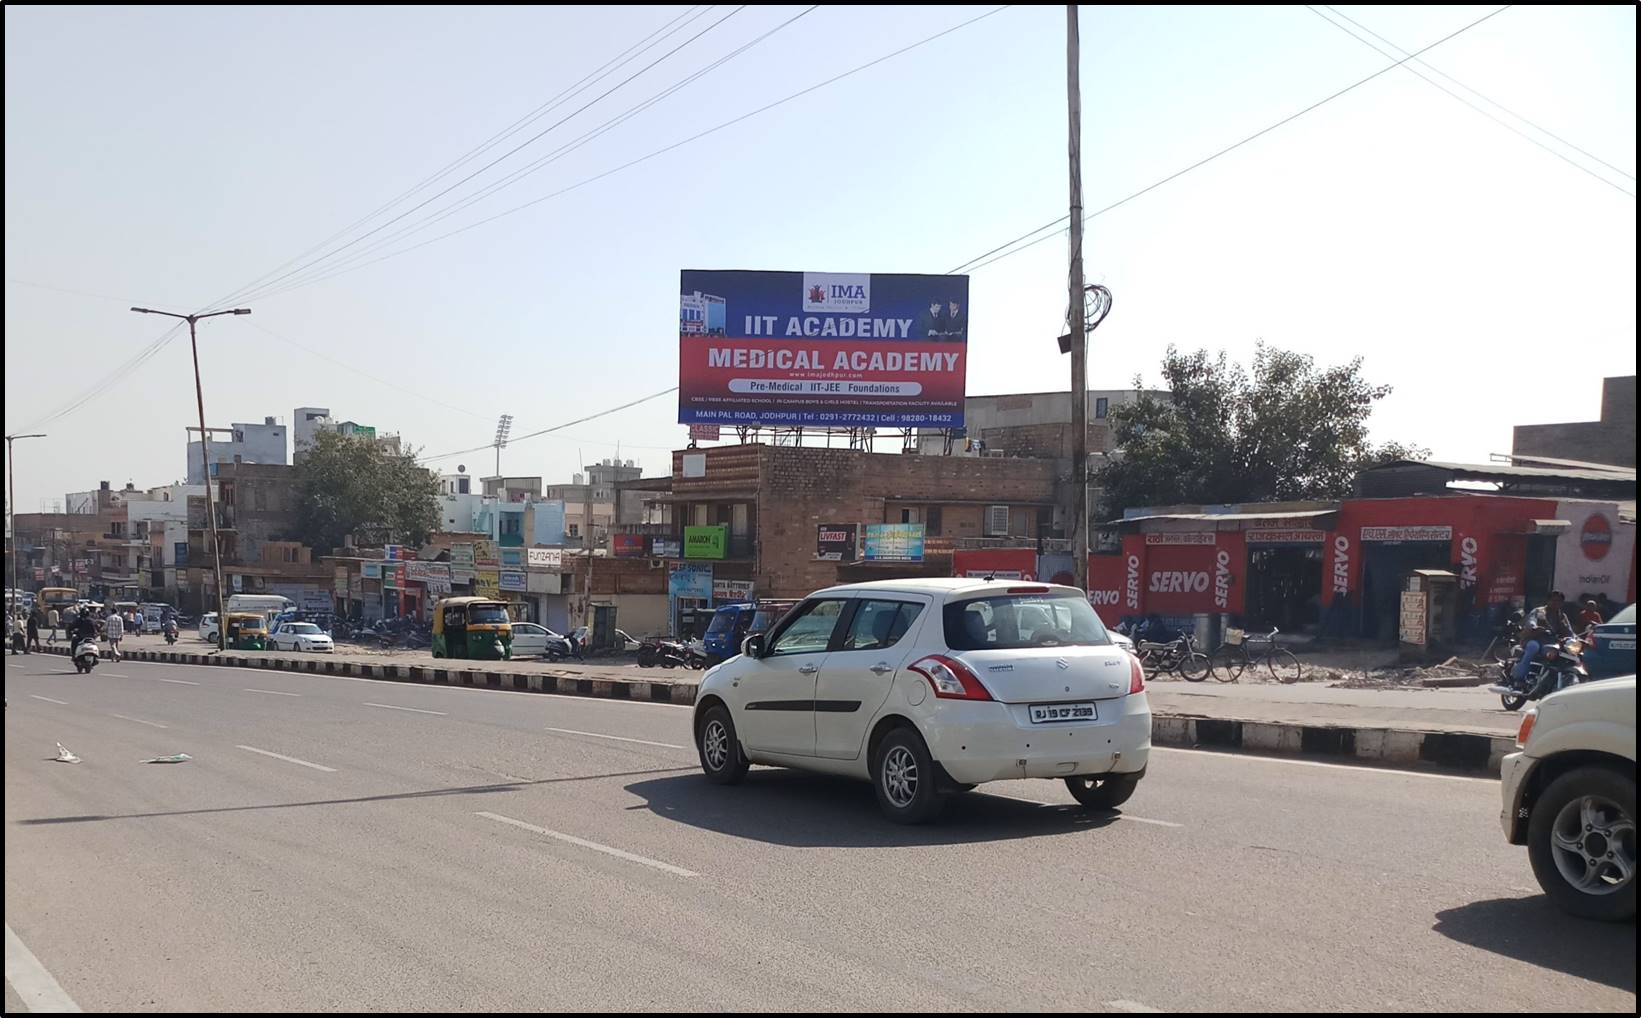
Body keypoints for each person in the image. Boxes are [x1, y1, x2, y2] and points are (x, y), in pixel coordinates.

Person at [1512, 590, 1574, 685]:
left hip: (1551, 642)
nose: (1555, 603)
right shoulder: (1539, 611)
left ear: (1562, 603)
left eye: (1558, 601)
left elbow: (1569, 630)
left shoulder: (1561, 616)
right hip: (1534, 638)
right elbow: (1531, 621)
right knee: (1533, 647)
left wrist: (1574, 638)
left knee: (1566, 653)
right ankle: (1519, 678)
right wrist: (1534, 627)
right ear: (1548, 601)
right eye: (1553, 600)